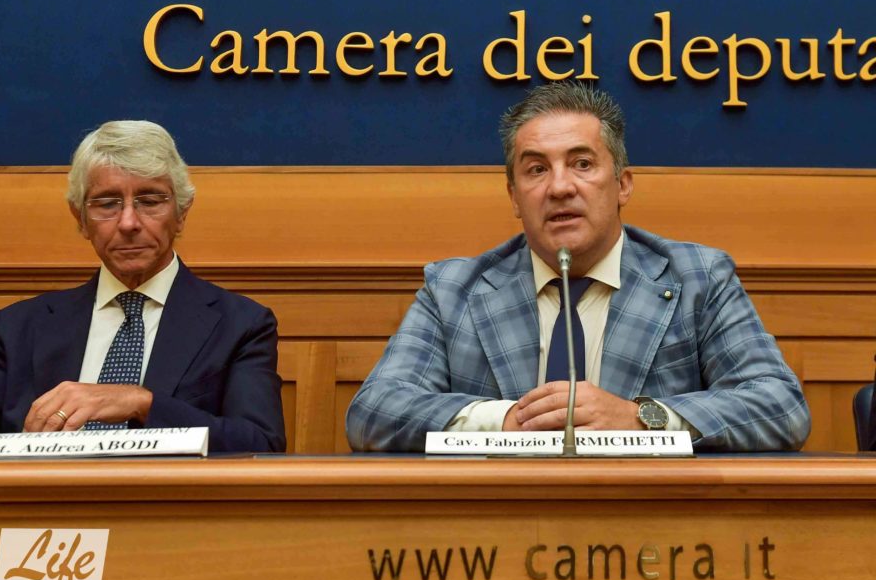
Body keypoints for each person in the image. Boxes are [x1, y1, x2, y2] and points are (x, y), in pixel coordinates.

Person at [346, 82, 810, 453]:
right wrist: (504, 421)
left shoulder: (698, 278)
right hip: (497, 525)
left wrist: (640, 419)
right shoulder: (453, 290)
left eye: (582, 164)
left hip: (653, 525)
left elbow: (781, 407)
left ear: (623, 185)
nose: (559, 187)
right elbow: (373, 412)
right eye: (536, 170)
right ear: (514, 197)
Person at [0, 121, 284, 453]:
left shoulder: (241, 325)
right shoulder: (16, 329)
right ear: (81, 219)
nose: (129, 222)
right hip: (46, 510)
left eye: (150, 201)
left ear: (181, 213)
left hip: (170, 509)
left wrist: (140, 402)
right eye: (107, 204)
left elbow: (260, 444)